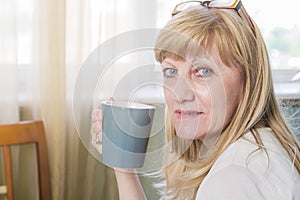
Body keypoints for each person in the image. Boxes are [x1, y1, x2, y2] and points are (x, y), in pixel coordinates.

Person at [91, 0, 300, 199]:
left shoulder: (233, 180)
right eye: (171, 71)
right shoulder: (254, 151)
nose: (180, 94)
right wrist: (123, 166)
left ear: (249, 79)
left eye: (203, 71)